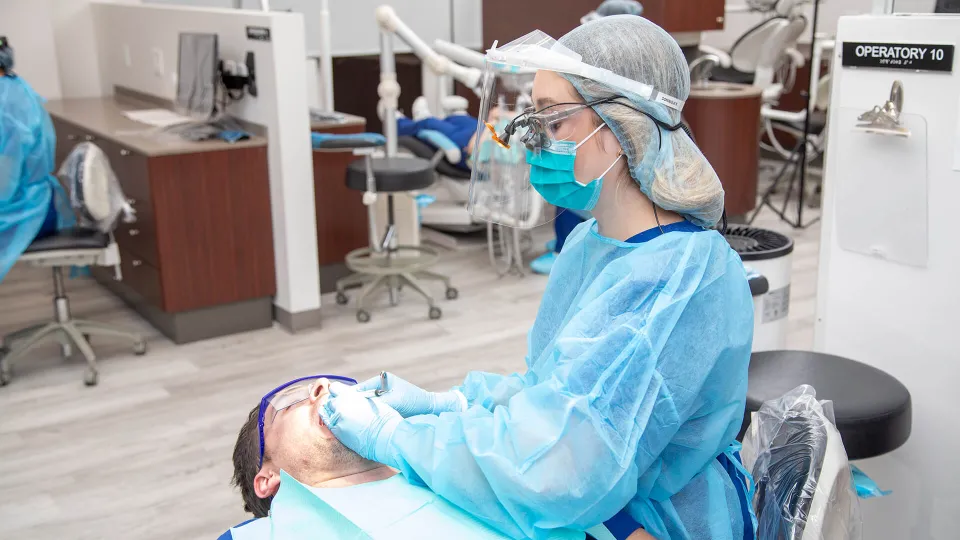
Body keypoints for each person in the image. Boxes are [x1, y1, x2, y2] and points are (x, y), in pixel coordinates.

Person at [319, 15, 756, 540]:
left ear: (620, 130)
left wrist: (394, 440)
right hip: (597, 501)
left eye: (553, 120)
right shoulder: (591, 245)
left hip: (653, 522)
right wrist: (453, 403)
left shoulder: (678, 279)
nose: (532, 140)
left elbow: (554, 472)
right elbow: (555, 391)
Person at [224, 375, 650, 540]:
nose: (322, 389)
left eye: (338, 387)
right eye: (292, 402)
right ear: (267, 477)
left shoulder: (468, 453)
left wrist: (451, 408)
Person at [0, 36, 73, 283]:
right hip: (31, 202)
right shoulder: (16, 88)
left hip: (28, 213)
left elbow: (5, 183)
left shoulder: (6, 105)